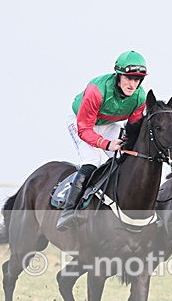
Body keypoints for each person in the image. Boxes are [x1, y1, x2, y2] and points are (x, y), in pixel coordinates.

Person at [57, 50, 148, 231]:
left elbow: (132, 130)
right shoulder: (96, 91)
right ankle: (68, 210)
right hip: (81, 121)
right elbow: (84, 129)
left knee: (125, 158)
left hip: (107, 124)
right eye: (128, 78)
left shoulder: (140, 97)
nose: (132, 84)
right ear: (118, 75)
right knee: (94, 160)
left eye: (137, 80)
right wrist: (107, 144)